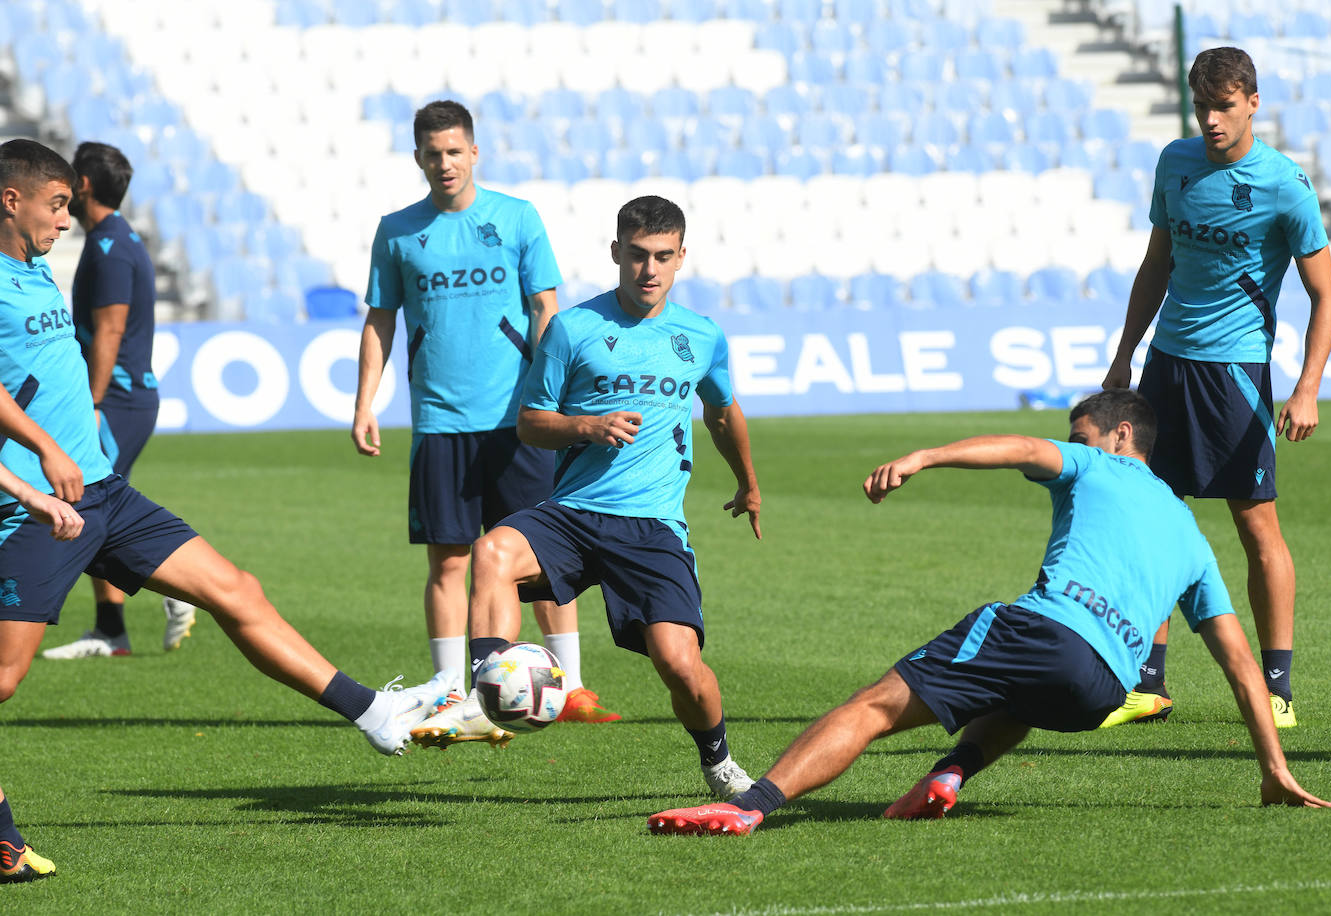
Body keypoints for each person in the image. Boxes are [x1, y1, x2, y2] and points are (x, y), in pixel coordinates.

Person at [0, 139, 450, 884]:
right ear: (10, 200)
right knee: (5, 679)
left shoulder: (34, 266)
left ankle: (374, 712)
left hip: (103, 491)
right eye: (55, 206)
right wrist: (45, 453)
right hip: (39, 512)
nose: (66, 221)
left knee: (236, 589)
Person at [647, 390, 1330, 836]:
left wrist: (924, 456)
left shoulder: (1096, 465)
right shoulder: (1193, 539)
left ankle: (749, 806)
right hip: (1100, 693)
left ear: (1122, 435)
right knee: (1022, 690)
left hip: (1045, 633)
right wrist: (1273, 769)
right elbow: (1242, 667)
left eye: (1080, 434)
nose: (1071, 443)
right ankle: (954, 770)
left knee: (875, 706)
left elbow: (1021, 450)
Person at [460, 195, 763, 800]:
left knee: (679, 664)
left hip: (652, 526)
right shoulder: (572, 328)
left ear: (681, 257)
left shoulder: (702, 335)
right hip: (572, 515)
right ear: (616, 252)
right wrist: (586, 426)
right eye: (638, 255)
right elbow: (530, 422)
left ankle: (720, 762)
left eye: (663, 256)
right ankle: (489, 689)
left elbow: (722, 412)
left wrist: (748, 482)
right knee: (492, 551)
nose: (649, 269)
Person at [353, 100, 619, 739]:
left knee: (544, 556)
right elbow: (380, 320)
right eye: (432, 153)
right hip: (440, 421)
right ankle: (449, 690)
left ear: (474, 152)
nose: (444, 163)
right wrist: (365, 402)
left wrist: (552, 394)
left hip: (518, 421)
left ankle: (569, 687)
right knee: (448, 561)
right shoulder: (397, 232)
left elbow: (546, 309)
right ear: (418, 158)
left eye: (454, 151)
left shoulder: (517, 217)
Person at [1101, 47, 1331, 729]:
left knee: (1255, 525)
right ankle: (1148, 683)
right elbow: (1157, 263)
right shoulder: (1174, 163)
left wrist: (1307, 387)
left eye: (1224, 106)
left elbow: (1326, 296)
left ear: (1253, 103)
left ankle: (1277, 688)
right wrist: (1124, 356)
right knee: (1152, 515)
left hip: (1235, 376)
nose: (1211, 120)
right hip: (1165, 367)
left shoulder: (1285, 185)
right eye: (1202, 106)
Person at [40, 141, 197, 661]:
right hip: (123, 399)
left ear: (83, 185)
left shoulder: (110, 246)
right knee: (89, 505)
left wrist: (90, 404)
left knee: (83, 504)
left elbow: (109, 330)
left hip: (116, 401)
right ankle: (112, 630)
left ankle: (175, 587)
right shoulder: (114, 239)